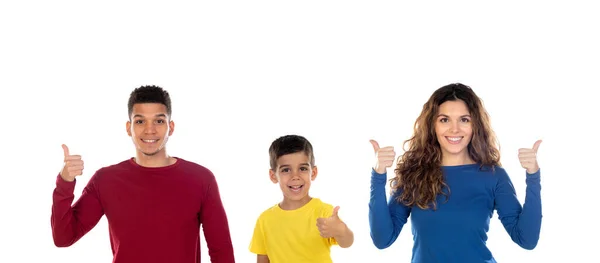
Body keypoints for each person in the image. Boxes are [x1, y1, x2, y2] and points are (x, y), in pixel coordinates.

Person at [51, 85, 236, 263]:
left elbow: (221, 250)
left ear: (170, 127)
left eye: (159, 120)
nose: (150, 129)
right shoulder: (105, 180)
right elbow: (64, 237)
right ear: (128, 128)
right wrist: (65, 181)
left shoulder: (201, 179)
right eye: (140, 121)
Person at [368, 83, 542, 263]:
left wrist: (533, 175)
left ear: (475, 125)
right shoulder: (414, 175)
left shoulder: (493, 176)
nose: (454, 129)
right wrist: (378, 173)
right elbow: (382, 239)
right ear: (432, 125)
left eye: (464, 120)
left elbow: (527, 240)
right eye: (444, 120)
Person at [249, 135, 354, 263]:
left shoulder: (324, 212)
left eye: (302, 169)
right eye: (286, 170)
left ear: (313, 173)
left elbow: (347, 242)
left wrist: (340, 230)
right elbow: (262, 259)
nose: (295, 176)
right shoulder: (264, 220)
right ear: (273, 176)